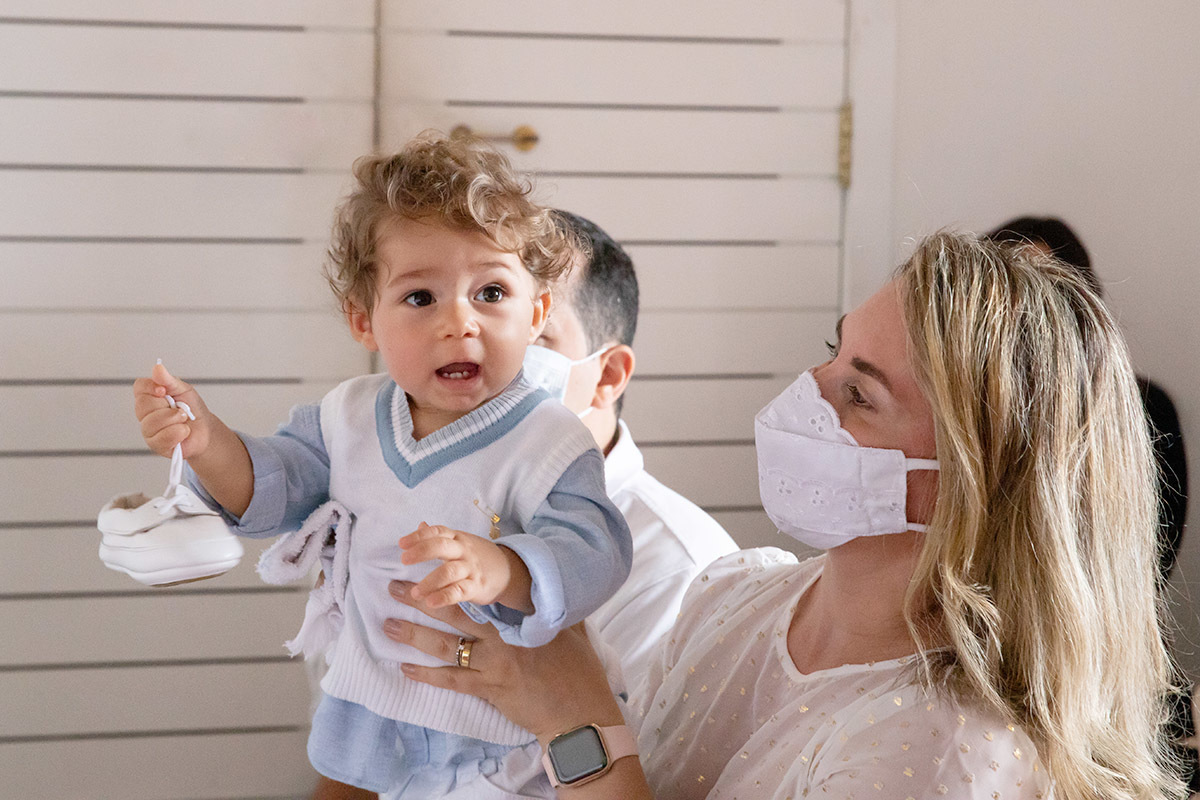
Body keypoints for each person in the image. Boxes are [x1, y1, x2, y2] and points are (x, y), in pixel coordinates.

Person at [384, 231, 1187, 799]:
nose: (806, 388)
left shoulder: (947, 750)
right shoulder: (739, 596)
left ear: (968, 486)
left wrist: (577, 722)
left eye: (859, 394)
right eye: (831, 351)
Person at [131, 131, 633, 797]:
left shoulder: (548, 439)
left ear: (536, 309)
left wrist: (505, 568)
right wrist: (208, 442)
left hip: (503, 738)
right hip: (378, 712)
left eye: (490, 292)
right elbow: (277, 487)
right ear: (364, 321)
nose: (461, 323)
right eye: (421, 298)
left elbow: (595, 550)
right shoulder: (348, 416)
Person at [319, 211, 740, 800]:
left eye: (514, 318)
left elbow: (645, 776)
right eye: (424, 299)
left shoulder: (678, 571)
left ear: (605, 377)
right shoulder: (391, 476)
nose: (469, 335)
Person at [987, 216, 1188, 582]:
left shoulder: (1141, 409)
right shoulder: (956, 410)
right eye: (1008, 286)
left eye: (1043, 286)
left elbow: (1153, 557)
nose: (1025, 309)